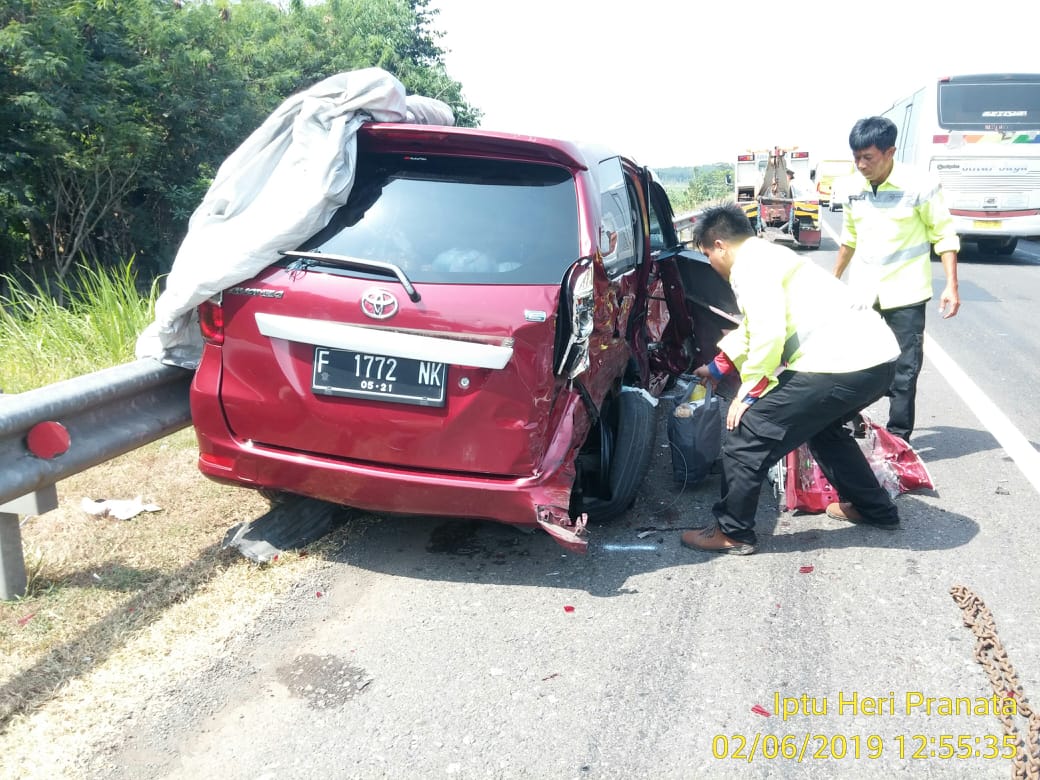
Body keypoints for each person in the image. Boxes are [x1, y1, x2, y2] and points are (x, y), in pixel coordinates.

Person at [680, 202, 901, 556]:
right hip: (877, 360)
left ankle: (732, 531)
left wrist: (750, 391)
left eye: (707, 254)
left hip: (843, 362)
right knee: (824, 430)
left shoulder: (747, 267)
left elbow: (768, 331)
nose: (710, 263)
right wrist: (719, 366)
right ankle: (874, 508)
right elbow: (754, 325)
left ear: (720, 244)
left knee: (747, 434)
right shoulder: (770, 256)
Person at [833, 116, 961, 442]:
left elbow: (943, 234)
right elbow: (849, 238)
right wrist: (833, 279)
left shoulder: (920, 185)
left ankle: (898, 439)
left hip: (906, 293)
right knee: (857, 362)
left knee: (905, 369)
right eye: (856, 157)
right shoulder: (851, 187)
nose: (861, 165)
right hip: (864, 293)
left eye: (868, 158)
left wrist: (951, 285)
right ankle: (850, 419)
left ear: (889, 152)